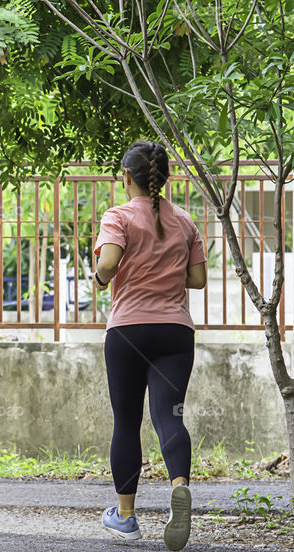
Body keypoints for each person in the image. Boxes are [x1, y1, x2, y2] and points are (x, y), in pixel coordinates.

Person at [93, 141, 207, 550]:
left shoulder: (118, 216)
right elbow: (197, 280)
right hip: (176, 332)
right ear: (166, 178)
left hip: (128, 331)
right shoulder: (185, 221)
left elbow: (107, 263)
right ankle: (179, 485)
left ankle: (125, 517)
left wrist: (102, 279)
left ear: (127, 177)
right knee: (169, 416)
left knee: (127, 422)